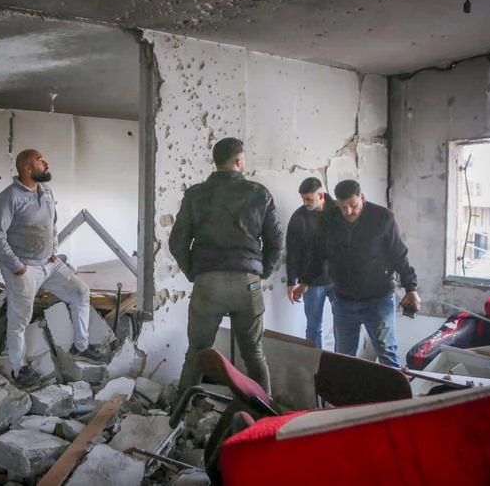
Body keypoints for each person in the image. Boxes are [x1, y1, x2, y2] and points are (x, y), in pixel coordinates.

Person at [169, 137, 282, 396]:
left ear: (215, 161)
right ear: (239, 161)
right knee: (254, 352)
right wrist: (261, 271)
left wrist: (194, 272)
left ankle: (182, 416)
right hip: (248, 282)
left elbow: (177, 242)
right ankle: (264, 416)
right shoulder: (259, 193)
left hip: (208, 282)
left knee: (197, 351)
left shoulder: (196, 194)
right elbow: (277, 242)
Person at [0, 149, 104, 386]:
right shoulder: (8, 197)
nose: (46, 163)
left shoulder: (47, 192)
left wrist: (53, 251)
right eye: (41, 161)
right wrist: (17, 267)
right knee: (20, 319)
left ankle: (80, 346)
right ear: (27, 168)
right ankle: (18, 370)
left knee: (80, 291)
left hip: (49, 263)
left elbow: (52, 224)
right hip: (24, 267)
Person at [293, 179, 420, 367]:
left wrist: (411, 288)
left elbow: (399, 255)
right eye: (343, 207)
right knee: (343, 358)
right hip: (344, 301)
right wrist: (304, 282)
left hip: (379, 299)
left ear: (362, 198)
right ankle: (347, 396)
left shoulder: (382, 218)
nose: (348, 212)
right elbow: (318, 254)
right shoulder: (330, 220)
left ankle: (396, 396)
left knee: (386, 353)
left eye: (353, 205)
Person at [286, 177, 336, 348]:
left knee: (344, 326)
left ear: (321, 195)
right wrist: (291, 282)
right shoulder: (299, 217)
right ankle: (315, 368)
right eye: (303, 199)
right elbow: (292, 252)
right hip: (311, 282)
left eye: (309, 199)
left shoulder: (338, 211)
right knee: (313, 327)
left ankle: (343, 366)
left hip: (338, 279)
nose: (305, 203)